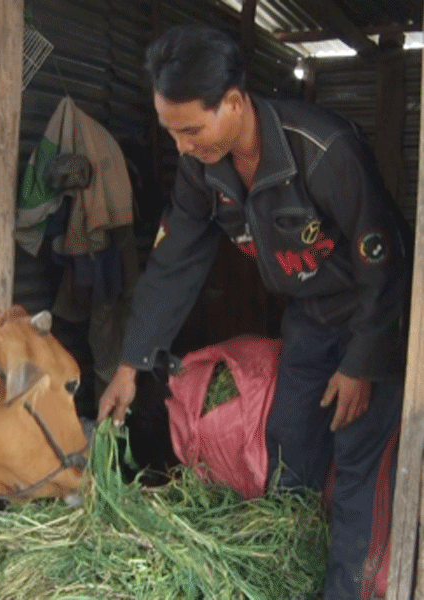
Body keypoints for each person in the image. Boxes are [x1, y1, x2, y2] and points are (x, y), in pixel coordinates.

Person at [98, 24, 412, 600]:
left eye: (191, 128)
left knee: (359, 462)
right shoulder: (202, 168)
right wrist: (130, 364)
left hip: (374, 320)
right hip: (309, 319)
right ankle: (290, 574)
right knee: (290, 443)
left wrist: (364, 364)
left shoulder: (324, 150)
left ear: (236, 103)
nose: (183, 146)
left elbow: (386, 264)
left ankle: (347, 591)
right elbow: (173, 264)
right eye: (173, 133)